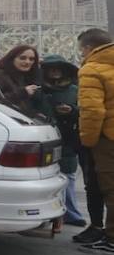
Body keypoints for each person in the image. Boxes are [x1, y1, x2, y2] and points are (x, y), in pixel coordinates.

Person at [77, 29, 114, 252]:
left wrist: (88, 141)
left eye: (82, 50)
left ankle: (111, 239)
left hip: (106, 138)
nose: (82, 54)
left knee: (110, 188)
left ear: (89, 48)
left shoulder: (92, 68)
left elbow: (92, 111)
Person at [39, 55, 85, 228]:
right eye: (51, 68)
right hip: (46, 137)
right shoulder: (39, 90)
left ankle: (71, 213)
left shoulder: (74, 89)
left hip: (69, 138)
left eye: (59, 67)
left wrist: (71, 110)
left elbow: (84, 110)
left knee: (69, 175)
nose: (55, 71)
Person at [0, 45, 42, 117]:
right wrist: (23, 92)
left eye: (31, 59)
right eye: (22, 58)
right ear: (12, 59)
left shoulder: (25, 77)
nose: (27, 62)